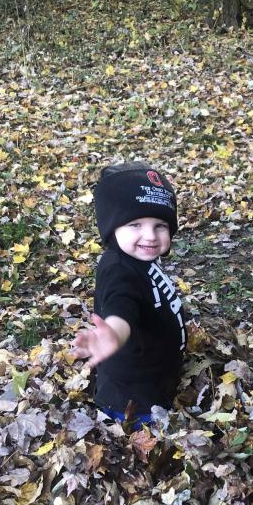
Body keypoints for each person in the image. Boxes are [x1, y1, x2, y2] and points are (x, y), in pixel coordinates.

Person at [73, 164, 186, 429]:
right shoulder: (118, 270)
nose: (150, 236)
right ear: (113, 228)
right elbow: (120, 308)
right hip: (134, 399)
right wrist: (114, 334)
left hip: (155, 378)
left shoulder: (137, 257)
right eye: (135, 224)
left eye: (160, 225)